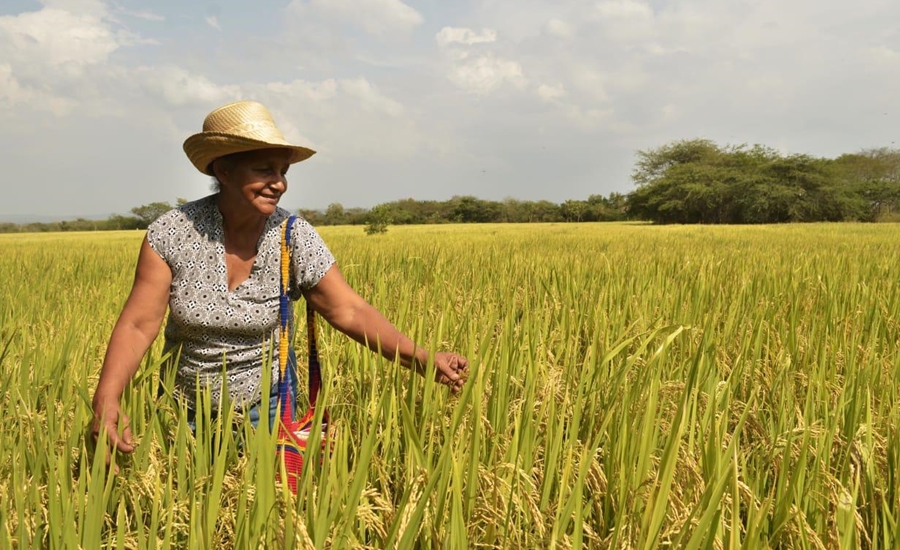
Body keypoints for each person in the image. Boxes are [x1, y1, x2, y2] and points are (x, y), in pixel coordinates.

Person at [91, 100, 468, 464]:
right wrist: (107, 398)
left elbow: (348, 309)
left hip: (266, 412)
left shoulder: (293, 236)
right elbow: (139, 324)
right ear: (223, 171)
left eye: (283, 171)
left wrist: (421, 358)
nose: (279, 183)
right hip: (182, 412)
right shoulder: (173, 233)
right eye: (264, 170)